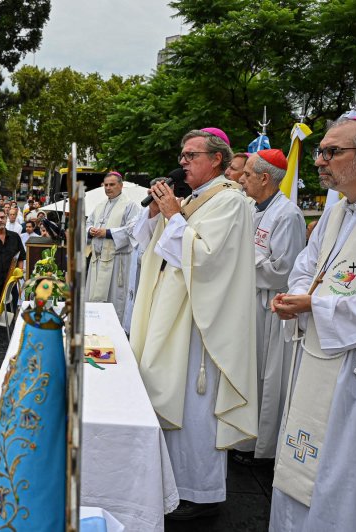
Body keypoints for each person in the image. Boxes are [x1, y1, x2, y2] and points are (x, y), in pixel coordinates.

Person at [269, 115, 356, 531]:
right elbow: (305, 267)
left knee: (341, 479)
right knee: (303, 465)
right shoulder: (338, 210)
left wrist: (315, 307)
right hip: (318, 354)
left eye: (331, 152)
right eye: (320, 151)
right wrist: (299, 297)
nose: (319, 161)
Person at [129, 128, 257, 519]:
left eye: (191, 155)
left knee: (195, 409)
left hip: (201, 323)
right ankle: (174, 485)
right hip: (175, 313)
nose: (182, 162)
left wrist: (172, 215)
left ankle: (201, 493)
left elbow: (206, 258)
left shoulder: (230, 202)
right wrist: (155, 216)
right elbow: (149, 245)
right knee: (175, 401)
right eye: (182, 156)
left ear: (217, 159)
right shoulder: (196, 199)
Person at [236, 148, 306, 463]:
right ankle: (241, 437)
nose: (240, 178)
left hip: (269, 308)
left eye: (247, 174)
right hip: (247, 301)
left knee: (265, 377)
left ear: (265, 178)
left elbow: (284, 270)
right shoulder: (251, 207)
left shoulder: (288, 214)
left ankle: (260, 447)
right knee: (246, 372)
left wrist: (240, 257)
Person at [86, 171, 141, 324]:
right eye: (106, 185)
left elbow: (133, 230)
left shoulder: (130, 206)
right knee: (93, 297)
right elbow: (88, 223)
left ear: (121, 186)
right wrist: (90, 230)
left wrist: (108, 232)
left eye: (112, 184)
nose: (108, 188)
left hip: (116, 262)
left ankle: (113, 329)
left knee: (114, 299)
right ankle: (94, 327)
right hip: (97, 260)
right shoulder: (99, 206)